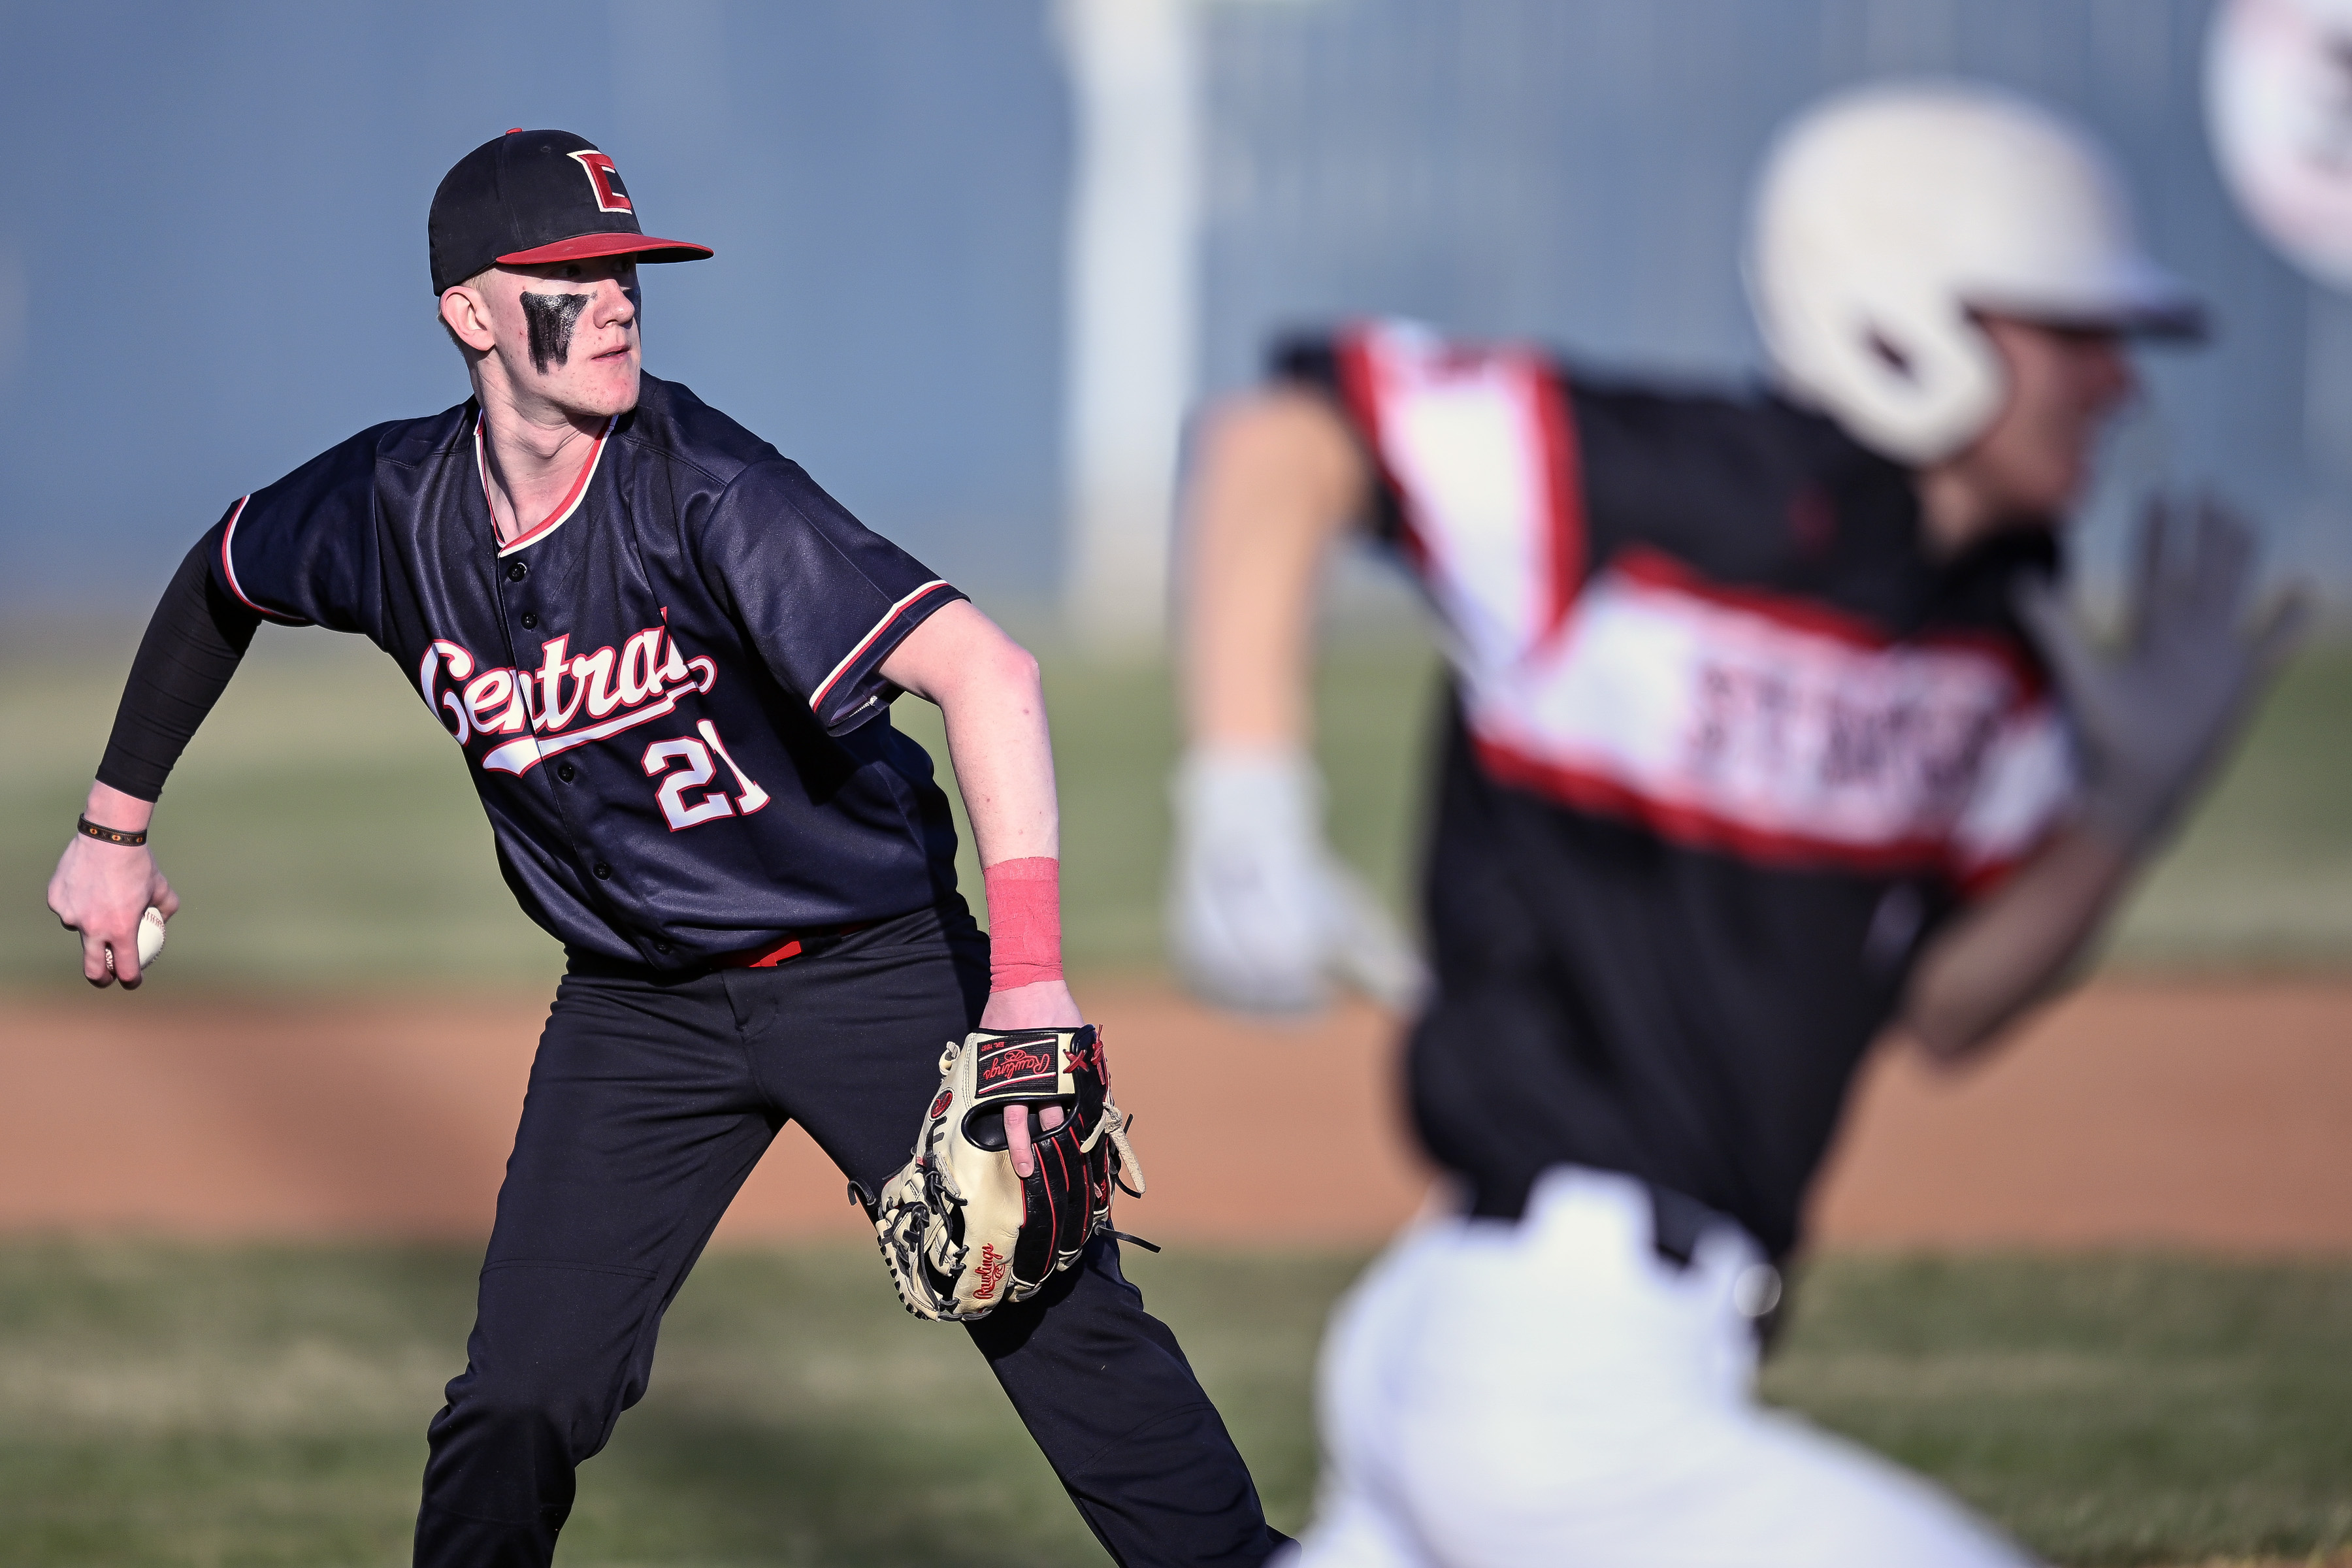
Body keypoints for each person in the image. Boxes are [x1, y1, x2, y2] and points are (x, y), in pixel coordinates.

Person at [46, 127, 1286, 1568]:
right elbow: (225, 572)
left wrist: (1026, 987)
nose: (620, 297)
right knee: (515, 1402)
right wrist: (113, 826)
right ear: (471, 315)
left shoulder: (707, 491)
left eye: (629, 268)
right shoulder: (393, 510)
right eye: (572, 276)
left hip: (868, 966)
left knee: (1056, 1315)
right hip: (636, 1007)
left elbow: (991, 676)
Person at [1169, 81, 2300, 1566]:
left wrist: (2124, 813)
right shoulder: (1666, 494)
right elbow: (1281, 441)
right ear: (1913, 315)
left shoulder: (1987, 638)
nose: (2117, 386)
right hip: (1548, 1365)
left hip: (1537, 1339)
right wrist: (1243, 785)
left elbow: (1947, 1005)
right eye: (2071, 334)